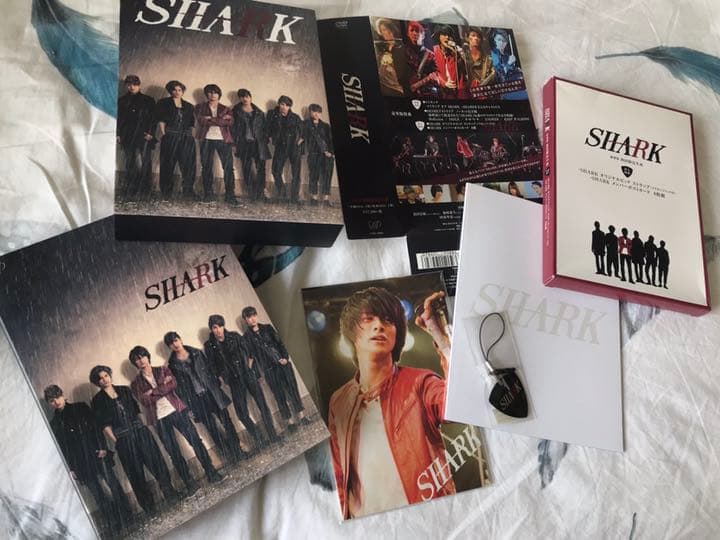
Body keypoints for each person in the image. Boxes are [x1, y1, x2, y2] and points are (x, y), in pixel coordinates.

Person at [328, 287, 456, 518]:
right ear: (351, 332)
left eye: (388, 320)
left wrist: (442, 338)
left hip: (426, 518)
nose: (379, 325)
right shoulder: (339, 401)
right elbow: (338, 475)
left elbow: (458, 405)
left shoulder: (419, 383)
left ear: (398, 333)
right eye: (368, 319)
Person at [129, 345, 225, 493]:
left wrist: (153, 391)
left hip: (177, 410)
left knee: (195, 441)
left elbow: (173, 385)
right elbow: (145, 401)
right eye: (137, 359)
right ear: (134, 363)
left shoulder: (162, 369)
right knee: (173, 451)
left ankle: (211, 472)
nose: (141, 361)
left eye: (143, 356)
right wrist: (163, 386)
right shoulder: (135, 383)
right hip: (159, 419)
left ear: (148, 357)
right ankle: (189, 483)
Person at [90, 365, 180, 514]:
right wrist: (117, 441)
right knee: (135, 473)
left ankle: (170, 492)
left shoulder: (124, 390)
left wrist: (143, 427)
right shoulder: (97, 401)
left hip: (140, 432)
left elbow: (137, 410)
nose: (104, 379)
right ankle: (149, 507)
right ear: (97, 382)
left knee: (156, 462)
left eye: (106, 375)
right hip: (123, 439)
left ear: (110, 375)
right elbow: (105, 425)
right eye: (100, 378)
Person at [45, 385, 132, 530]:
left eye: (58, 397)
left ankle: (127, 514)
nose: (56, 402)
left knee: (113, 484)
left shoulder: (80, 408)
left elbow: (96, 427)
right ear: (49, 403)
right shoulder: (55, 424)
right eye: (52, 401)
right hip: (79, 462)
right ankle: (113, 521)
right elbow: (63, 448)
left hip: (97, 453)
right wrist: (71, 468)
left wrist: (102, 447)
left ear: (62, 395)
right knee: (97, 494)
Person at [166, 332, 245, 463]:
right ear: (169, 347)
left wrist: (216, 385)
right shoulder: (172, 366)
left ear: (180, 340)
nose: (175, 344)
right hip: (196, 400)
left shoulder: (196, 353)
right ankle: (230, 454)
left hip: (211, 393)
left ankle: (238, 450)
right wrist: (188, 406)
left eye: (176, 340)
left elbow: (210, 369)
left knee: (227, 421)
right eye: (171, 343)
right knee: (212, 428)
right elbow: (179, 389)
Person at [204, 314, 280, 446]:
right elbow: (212, 366)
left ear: (223, 326)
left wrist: (251, 370)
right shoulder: (210, 345)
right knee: (241, 413)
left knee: (262, 405)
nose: (218, 330)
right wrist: (223, 379)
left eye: (220, 326)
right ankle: (260, 439)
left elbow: (250, 352)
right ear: (211, 329)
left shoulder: (234, 336)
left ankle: (273, 435)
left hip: (247, 374)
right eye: (215, 327)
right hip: (233, 381)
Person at [241, 306, 308, 431]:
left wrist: (285, 358)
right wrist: (257, 375)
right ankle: (290, 422)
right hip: (269, 370)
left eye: (254, 315)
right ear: (245, 320)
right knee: (279, 396)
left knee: (292, 390)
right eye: (249, 317)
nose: (252, 319)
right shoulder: (246, 338)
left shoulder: (267, 328)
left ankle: (302, 416)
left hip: (283, 364)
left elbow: (280, 343)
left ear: (256, 315)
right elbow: (251, 357)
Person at [195, 84, 237, 205]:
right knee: (206, 167)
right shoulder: (200, 107)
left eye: (215, 92)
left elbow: (229, 122)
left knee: (228, 167)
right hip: (206, 139)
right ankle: (208, 194)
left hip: (223, 140)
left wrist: (210, 119)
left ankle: (230, 195)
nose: (212, 95)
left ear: (219, 94)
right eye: (210, 92)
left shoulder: (226, 108)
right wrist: (220, 119)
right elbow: (201, 121)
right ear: (206, 94)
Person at [155, 80, 196, 200]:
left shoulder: (189, 106)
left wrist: (191, 137)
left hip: (186, 138)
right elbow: (161, 121)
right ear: (170, 91)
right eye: (174, 90)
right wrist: (165, 134)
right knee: (167, 164)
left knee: (188, 164)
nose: (177, 92)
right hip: (170, 136)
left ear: (182, 91)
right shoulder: (163, 103)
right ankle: (166, 192)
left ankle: (188, 190)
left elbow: (192, 124)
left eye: (179, 90)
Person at [117, 75, 155, 198]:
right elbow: (119, 119)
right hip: (127, 134)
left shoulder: (148, 100)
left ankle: (145, 189)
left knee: (145, 161)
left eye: (134, 84)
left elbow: (153, 119)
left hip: (143, 134)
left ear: (139, 85)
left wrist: (151, 133)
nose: (132, 87)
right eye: (129, 84)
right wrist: (118, 134)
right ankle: (131, 187)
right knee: (130, 161)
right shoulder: (122, 101)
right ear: (126, 86)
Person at [233, 89, 270, 201]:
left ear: (250, 97)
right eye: (242, 97)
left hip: (258, 144)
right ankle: (252, 193)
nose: (245, 99)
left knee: (261, 168)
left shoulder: (259, 112)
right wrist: (235, 143)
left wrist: (264, 141)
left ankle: (261, 192)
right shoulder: (235, 111)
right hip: (244, 144)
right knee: (246, 168)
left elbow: (265, 129)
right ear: (239, 98)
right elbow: (233, 128)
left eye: (247, 96)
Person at [267, 95, 303, 204]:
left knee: (296, 173)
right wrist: (271, 138)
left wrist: (299, 142)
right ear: (279, 104)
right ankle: (282, 193)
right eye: (282, 104)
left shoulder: (295, 117)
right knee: (275, 170)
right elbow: (268, 128)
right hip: (281, 146)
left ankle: (294, 198)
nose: (284, 107)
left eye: (287, 105)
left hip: (293, 147)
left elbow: (303, 131)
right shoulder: (273, 115)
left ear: (289, 106)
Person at [302, 104, 334, 206]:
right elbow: (301, 137)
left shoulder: (326, 126)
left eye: (319, 112)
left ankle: (326, 199)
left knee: (327, 176)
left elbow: (331, 140)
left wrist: (331, 153)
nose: (316, 114)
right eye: (314, 111)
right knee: (313, 176)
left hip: (327, 155)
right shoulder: (305, 124)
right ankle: (314, 198)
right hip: (313, 154)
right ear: (310, 112)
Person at [375, 18, 410, 97]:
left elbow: (401, 72)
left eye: (386, 29)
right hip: (383, 84)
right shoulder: (383, 49)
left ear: (392, 30)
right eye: (382, 30)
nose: (385, 32)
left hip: (396, 88)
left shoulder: (400, 47)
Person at [432, 25, 467, 99]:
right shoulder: (434, 51)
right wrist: (444, 83)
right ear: (439, 37)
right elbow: (433, 73)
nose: (447, 37)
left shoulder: (455, 52)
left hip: (458, 92)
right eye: (444, 34)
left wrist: (460, 53)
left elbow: (464, 72)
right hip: (442, 92)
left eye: (449, 35)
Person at [404, 21, 436, 96]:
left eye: (417, 31)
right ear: (408, 34)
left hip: (426, 94)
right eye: (412, 30)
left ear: (423, 35)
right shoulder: (403, 52)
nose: (414, 33)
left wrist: (422, 82)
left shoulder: (431, 55)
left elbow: (436, 75)